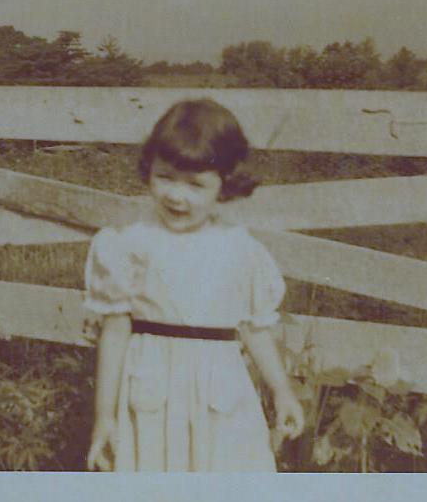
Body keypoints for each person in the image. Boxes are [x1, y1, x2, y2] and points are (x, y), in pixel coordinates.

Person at [84, 99, 305, 472]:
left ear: (224, 185)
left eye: (195, 185)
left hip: (220, 399)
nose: (176, 195)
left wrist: (282, 391)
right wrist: (104, 417)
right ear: (148, 170)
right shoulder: (130, 246)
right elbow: (115, 332)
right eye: (165, 177)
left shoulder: (239, 249)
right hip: (151, 396)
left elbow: (255, 329)